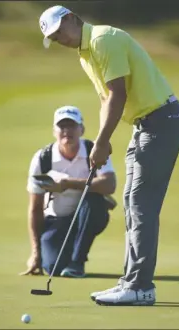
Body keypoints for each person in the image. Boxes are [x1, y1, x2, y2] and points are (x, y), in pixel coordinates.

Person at [38, 5, 179, 305]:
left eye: (59, 33)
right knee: (131, 204)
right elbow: (106, 99)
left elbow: (118, 93)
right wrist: (102, 141)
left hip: (160, 123)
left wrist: (102, 140)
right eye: (54, 39)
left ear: (71, 18)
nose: (60, 40)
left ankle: (140, 286)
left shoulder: (102, 40)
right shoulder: (86, 54)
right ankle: (131, 281)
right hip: (145, 126)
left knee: (142, 205)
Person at [20, 105, 116, 278]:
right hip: (56, 219)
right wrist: (36, 252)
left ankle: (77, 263)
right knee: (52, 267)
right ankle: (67, 252)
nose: (66, 131)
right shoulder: (43, 158)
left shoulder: (94, 150)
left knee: (93, 200)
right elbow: (35, 208)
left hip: (89, 215)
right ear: (54, 131)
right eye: (62, 126)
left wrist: (67, 183)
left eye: (72, 126)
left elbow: (110, 184)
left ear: (82, 129)